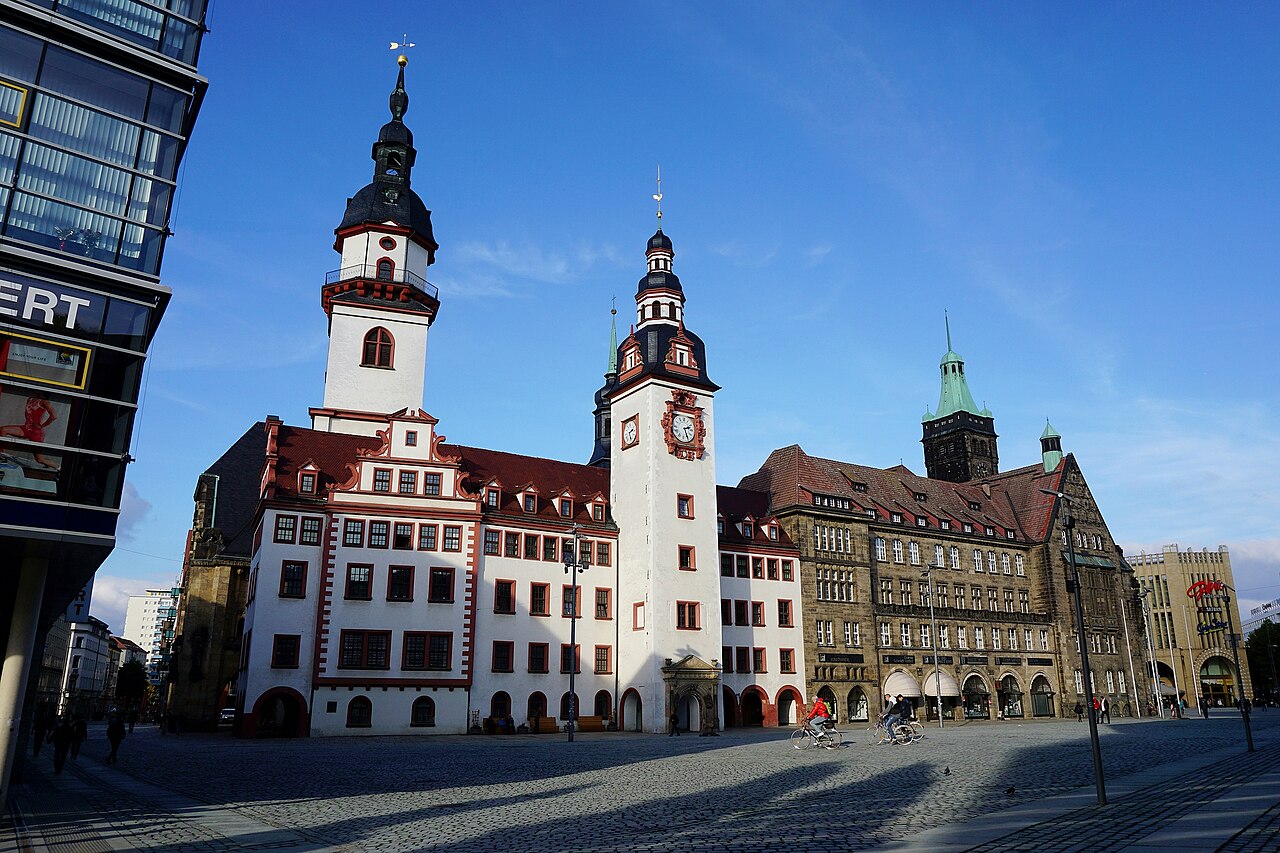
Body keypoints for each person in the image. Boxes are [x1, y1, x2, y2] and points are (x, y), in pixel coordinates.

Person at [0, 394, 59, 470]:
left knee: (39, 459)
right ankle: (2, 456)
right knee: (3, 430)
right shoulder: (30, 399)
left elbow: (54, 416)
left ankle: (58, 467)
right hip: (26, 428)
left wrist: (42, 425)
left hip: (36, 432)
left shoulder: (45, 402)